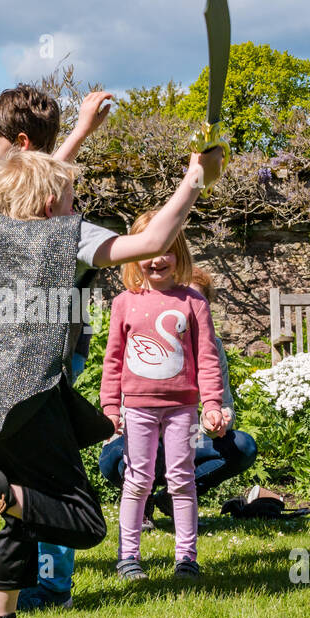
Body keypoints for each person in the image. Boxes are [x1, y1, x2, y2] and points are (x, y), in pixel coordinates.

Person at [0, 144, 223, 618]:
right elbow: (153, 239)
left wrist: (77, 133)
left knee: (20, 509)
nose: (79, 204)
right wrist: (194, 177)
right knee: (84, 520)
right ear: (54, 198)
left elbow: (28, 175)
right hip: (29, 399)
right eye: (73, 194)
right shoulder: (69, 235)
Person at [0, 83, 114, 612]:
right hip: (29, 355)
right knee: (35, 473)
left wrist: (76, 134)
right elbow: (41, 184)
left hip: (47, 354)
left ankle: (51, 581)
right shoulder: (29, 199)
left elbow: (45, 183)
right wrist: (79, 132)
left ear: (21, 144)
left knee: (52, 472)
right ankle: (22, 585)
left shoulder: (49, 206)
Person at [101, 212, 225, 579]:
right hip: (136, 408)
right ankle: (128, 556)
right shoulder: (123, 303)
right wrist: (110, 407)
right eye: (151, 249)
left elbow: (207, 357)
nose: (158, 259)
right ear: (136, 255)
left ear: (179, 253)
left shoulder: (193, 303)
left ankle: (186, 557)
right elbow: (113, 359)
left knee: (182, 479)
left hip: (183, 410)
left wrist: (213, 403)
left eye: (167, 249)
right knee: (137, 480)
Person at [96, 266, 258, 528]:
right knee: (116, 457)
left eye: (196, 302)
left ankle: (173, 498)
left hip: (190, 438)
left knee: (243, 446)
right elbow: (116, 379)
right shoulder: (144, 336)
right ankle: (142, 500)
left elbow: (224, 403)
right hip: (142, 435)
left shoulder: (213, 348)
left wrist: (220, 418)